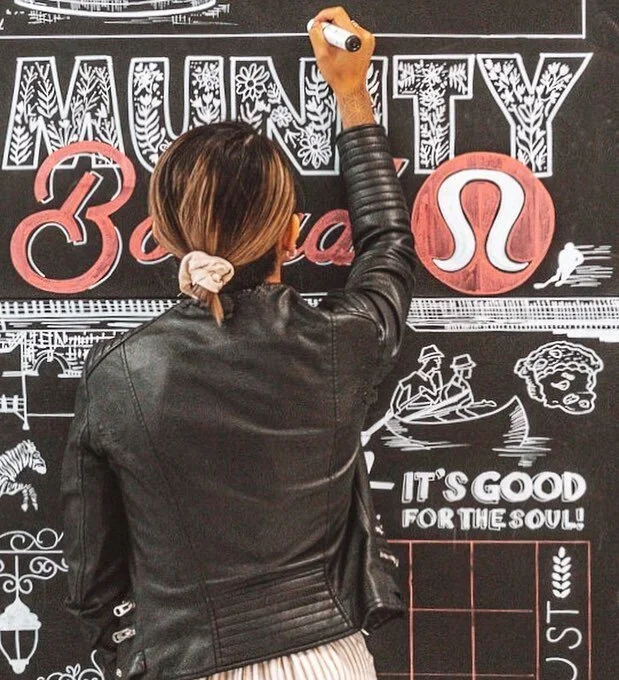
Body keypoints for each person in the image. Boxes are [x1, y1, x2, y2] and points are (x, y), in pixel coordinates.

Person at [60, 6, 418, 679]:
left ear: (166, 237)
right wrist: (350, 93)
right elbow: (388, 247)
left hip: (183, 661)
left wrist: (131, 650)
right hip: (328, 662)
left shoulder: (120, 372)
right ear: (289, 233)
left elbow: (91, 581)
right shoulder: (344, 343)